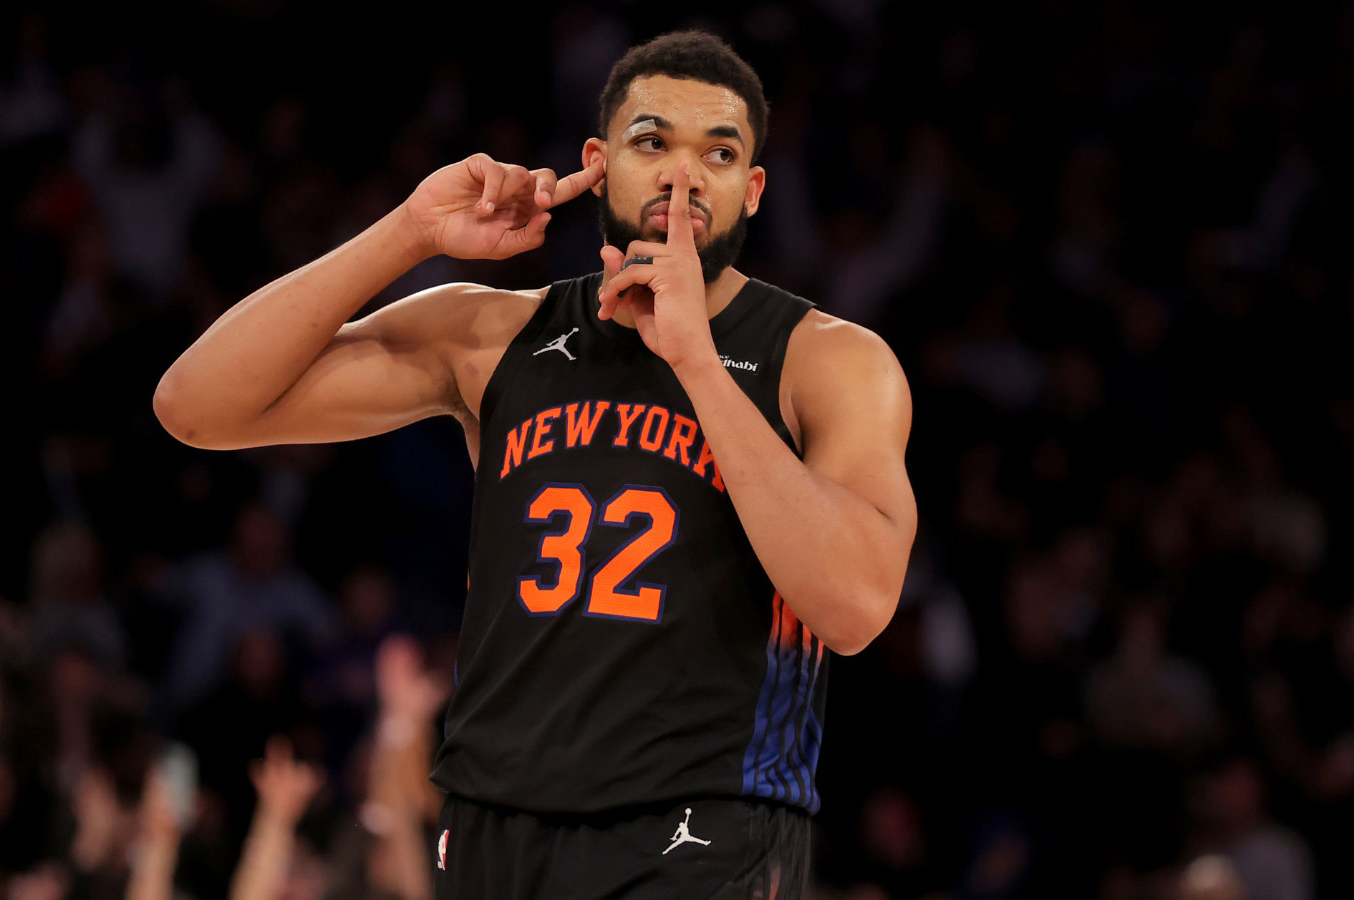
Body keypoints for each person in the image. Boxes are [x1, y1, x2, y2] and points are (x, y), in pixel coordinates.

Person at [154, 29, 917, 900]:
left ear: (753, 190)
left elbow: (855, 608)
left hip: (704, 824)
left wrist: (698, 363)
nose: (682, 176)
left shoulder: (828, 360)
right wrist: (408, 234)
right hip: (494, 820)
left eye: (719, 152)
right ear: (598, 162)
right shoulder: (494, 335)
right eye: (651, 142)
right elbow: (195, 405)